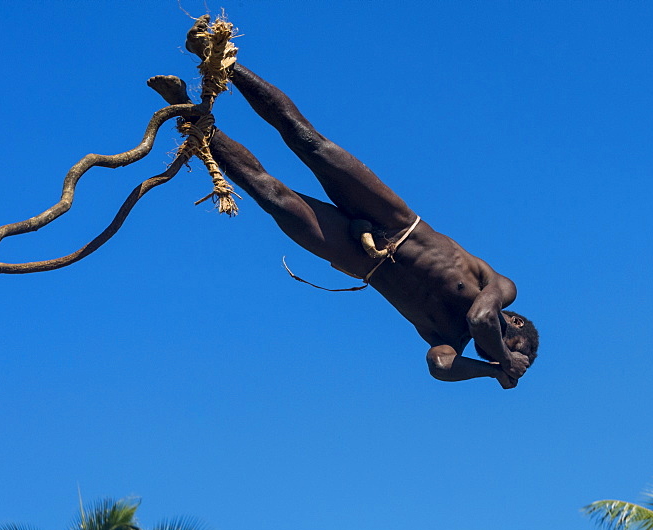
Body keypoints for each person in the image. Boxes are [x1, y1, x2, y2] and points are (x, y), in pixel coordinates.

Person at [147, 19, 538, 388]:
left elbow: (439, 366)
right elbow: (482, 317)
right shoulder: (502, 289)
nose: (497, 357)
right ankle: (218, 59)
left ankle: (185, 107)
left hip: (362, 259)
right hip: (398, 224)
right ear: (516, 323)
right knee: (307, 141)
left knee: (271, 195)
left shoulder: (447, 338)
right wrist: (505, 359)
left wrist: (490, 371)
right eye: (517, 350)